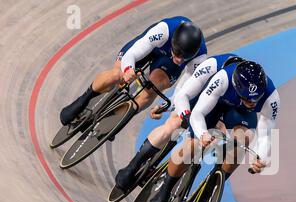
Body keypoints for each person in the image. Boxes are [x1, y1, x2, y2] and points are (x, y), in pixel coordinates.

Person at [143, 60, 281, 202]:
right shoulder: (222, 79)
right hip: (215, 104)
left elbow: (265, 135)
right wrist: (202, 134)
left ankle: (215, 183)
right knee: (192, 147)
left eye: (256, 99)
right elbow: (198, 113)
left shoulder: (271, 98)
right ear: (237, 88)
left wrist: (259, 157)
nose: (253, 103)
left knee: (243, 140)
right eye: (247, 99)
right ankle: (164, 193)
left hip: (239, 113)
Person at [114, 53, 244, 190]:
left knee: (213, 135)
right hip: (199, 96)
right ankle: (132, 167)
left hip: (224, 106)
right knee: (174, 124)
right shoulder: (208, 66)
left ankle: (182, 165)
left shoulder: (242, 87)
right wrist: (169, 106)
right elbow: (181, 94)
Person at [59, 16, 207, 127]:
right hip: (152, 48)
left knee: (153, 88)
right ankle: (84, 99)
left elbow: (183, 90)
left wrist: (166, 106)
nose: (180, 59)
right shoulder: (164, 30)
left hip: (166, 63)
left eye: (184, 57)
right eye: (177, 53)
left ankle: (114, 122)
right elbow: (133, 54)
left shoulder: (200, 58)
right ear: (173, 43)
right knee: (117, 74)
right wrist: (129, 69)